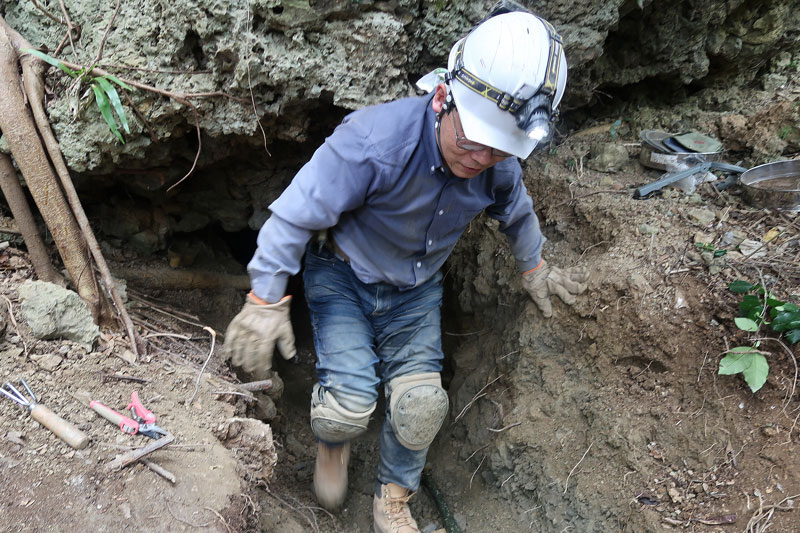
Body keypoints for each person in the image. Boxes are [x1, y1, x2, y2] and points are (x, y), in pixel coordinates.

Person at [225, 7, 589, 532]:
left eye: (498, 149)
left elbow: (515, 211)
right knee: (347, 405)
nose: (481, 158)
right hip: (342, 277)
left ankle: (393, 498)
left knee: (419, 407)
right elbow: (293, 214)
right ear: (443, 97)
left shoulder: (496, 162)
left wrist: (535, 268)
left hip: (416, 291)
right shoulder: (374, 142)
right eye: (472, 141)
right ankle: (334, 442)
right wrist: (265, 298)